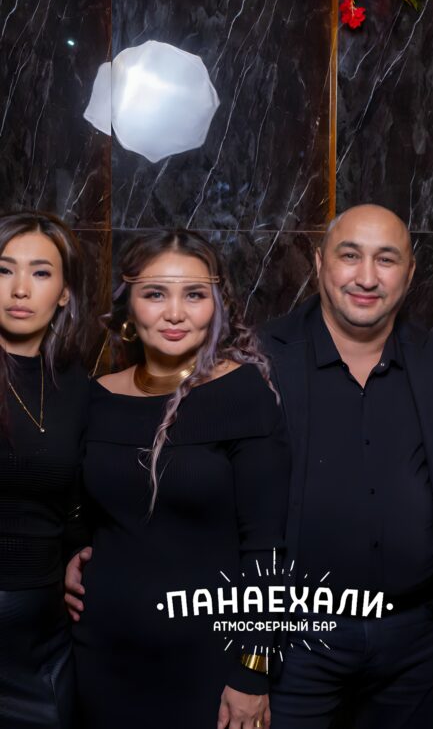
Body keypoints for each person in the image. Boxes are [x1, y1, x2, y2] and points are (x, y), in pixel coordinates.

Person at [65, 230, 290, 729]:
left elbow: (266, 549)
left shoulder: (245, 393)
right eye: (154, 294)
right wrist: (70, 552)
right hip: (103, 652)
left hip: (207, 662)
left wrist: (253, 671)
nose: (174, 313)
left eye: (193, 295)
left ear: (217, 306)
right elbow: (76, 500)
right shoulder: (97, 396)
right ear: (129, 305)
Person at [260, 205, 433, 729]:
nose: (367, 278)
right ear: (319, 261)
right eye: (350, 256)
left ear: (410, 273)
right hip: (297, 638)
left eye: (386, 260)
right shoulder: (262, 357)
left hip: (414, 640)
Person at [0, 212, 89, 729]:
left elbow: (77, 498)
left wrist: (81, 554)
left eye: (39, 272)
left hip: (46, 631)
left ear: (63, 293)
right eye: (4, 269)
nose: (19, 289)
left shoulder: (75, 385)